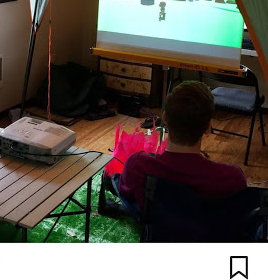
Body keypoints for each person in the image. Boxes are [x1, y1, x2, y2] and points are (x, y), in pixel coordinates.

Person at [98, 81, 247, 218]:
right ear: (208, 128)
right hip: (202, 230)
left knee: (116, 180)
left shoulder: (138, 164)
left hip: (157, 222)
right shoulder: (233, 177)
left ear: (165, 119)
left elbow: (126, 192)